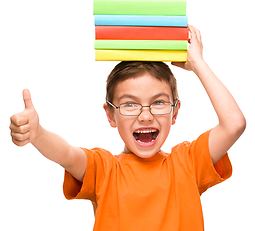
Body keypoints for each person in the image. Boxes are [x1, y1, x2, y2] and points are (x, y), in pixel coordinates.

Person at [10, 25, 246, 231]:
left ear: (175, 112)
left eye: (159, 102)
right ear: (111, 115)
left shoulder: (188, 163)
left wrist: (198, 64)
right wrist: (38, 134)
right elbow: (67, 154)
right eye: (130, 104)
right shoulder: (104, 169)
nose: (146, 115)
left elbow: (234, 124)